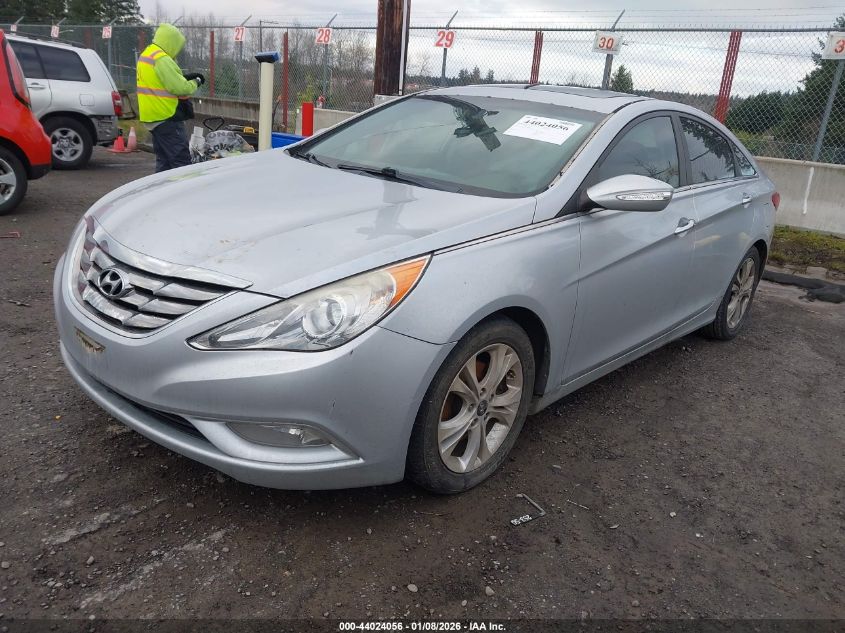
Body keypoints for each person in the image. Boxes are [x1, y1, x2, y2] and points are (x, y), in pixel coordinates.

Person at [136, 23, 205, 172]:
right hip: (167, 116)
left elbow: (160, 82)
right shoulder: (162, 58)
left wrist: (183, 78)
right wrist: (196, 82)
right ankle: (184, 194)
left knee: (164, 163)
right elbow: (180, 88)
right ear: (171, 42)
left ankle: (161, 193)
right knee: (181, 162)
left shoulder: (147, 55)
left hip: (153, 117)